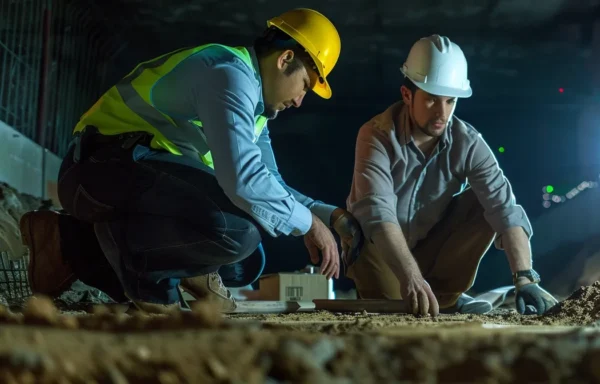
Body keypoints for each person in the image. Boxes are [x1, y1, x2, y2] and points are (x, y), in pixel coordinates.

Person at [18, 8, 362, 314]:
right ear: (285, 59)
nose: (300, 101)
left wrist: (328, 216)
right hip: (98, 167)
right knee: (237, 232)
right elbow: (244, 181)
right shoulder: (229, 74)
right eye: (305, 85)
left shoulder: (254, 109)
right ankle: (147, 283)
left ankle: (69, 242)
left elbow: (269, 182)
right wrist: (309, 226)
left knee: (244, 263)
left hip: (131, 173)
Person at [339, 34, 558, 316]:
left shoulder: (468, 142)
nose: (442, 113)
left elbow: (505, 209)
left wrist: (525, 279)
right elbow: (377, 214)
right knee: (396, 308)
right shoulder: (376, 135)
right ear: (407, 95)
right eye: (431, 100)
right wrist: (411, 278)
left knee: (481, 202)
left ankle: (447, 296)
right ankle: (438, 297)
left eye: (450, 101)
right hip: (380, 250)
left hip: (430, 250)